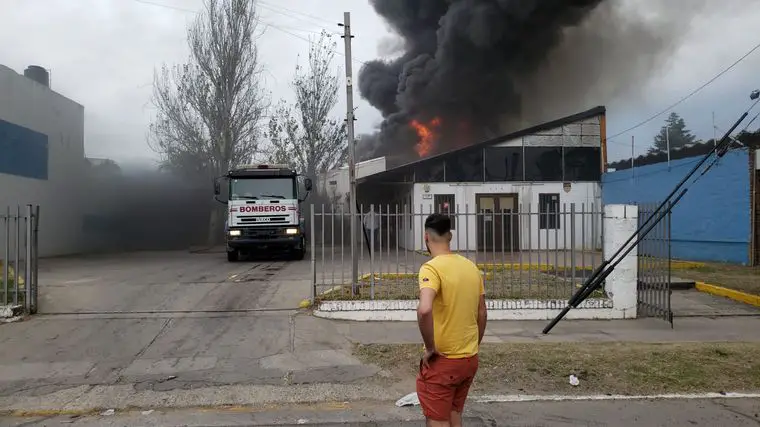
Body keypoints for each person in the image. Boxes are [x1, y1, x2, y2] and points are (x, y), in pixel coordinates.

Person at [416, 213, 487, 427]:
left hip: (444, 361)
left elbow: (424, 309)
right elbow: (482, 312)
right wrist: (474, 345)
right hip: (469, 359)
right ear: (450, 236)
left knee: (438, 419)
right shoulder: (471, 267)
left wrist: (430, 348)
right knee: (454, 413)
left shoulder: (431, 268)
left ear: (426, 237)